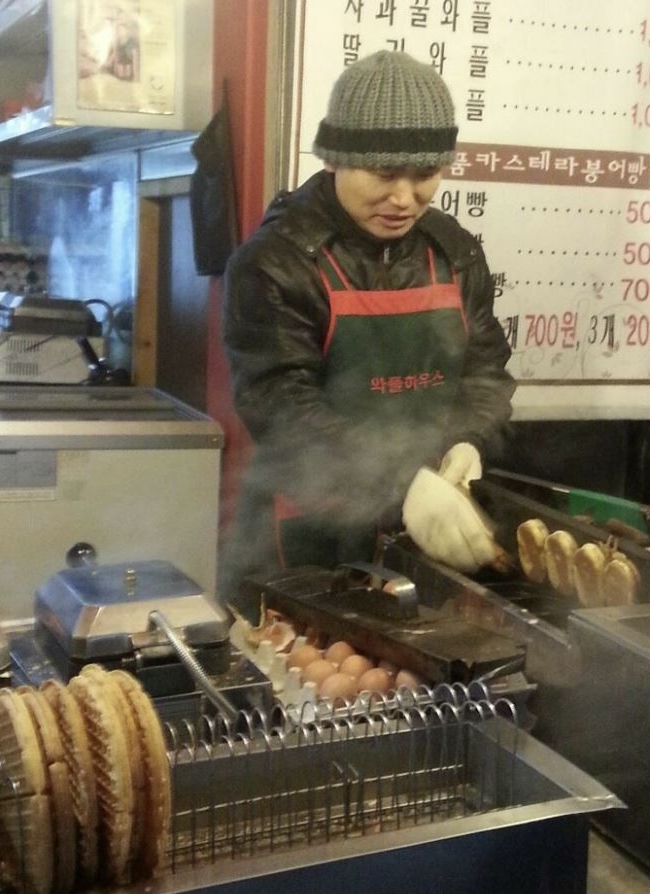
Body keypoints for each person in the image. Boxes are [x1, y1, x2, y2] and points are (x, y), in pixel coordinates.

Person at [220, 50, 516, 603]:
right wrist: (401, 480)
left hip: (426, 527)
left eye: (426, 175)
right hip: (305, 539)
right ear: (335, 161)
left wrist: (471, 440)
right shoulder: (277, 263)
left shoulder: (452, 252)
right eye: (384, 174)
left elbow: (485, 375)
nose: (404, 199)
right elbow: (284, 410)